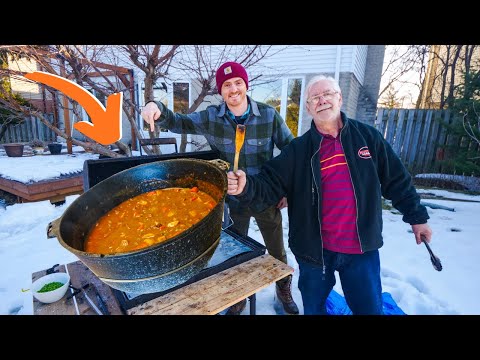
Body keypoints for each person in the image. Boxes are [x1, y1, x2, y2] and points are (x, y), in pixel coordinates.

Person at [226, 75, 433, 315]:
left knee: (369, 310)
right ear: (308, 107)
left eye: (327, 94)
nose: (322, 100)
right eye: (315, 97)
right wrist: (245, 186)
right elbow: (268, 184)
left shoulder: (368, 138)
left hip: (361, 249)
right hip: (314, 253)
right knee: (314, 309)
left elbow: (396, 180)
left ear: (340, 98)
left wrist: (417, 217)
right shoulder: (298, 149)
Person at [141, 61, 299, 315]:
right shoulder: (212, 117)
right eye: (226, 85)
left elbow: (292, 151)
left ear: (246, 86)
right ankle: (238, 297)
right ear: (221, 91)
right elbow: (178, 122)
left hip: (265, 196)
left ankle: (283, 287)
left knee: (276, 250)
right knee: (235, 254)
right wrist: (156, 107)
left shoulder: (268, 115)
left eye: (238, 83)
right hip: (233, 199)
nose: (233, 89)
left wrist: (288, 188)